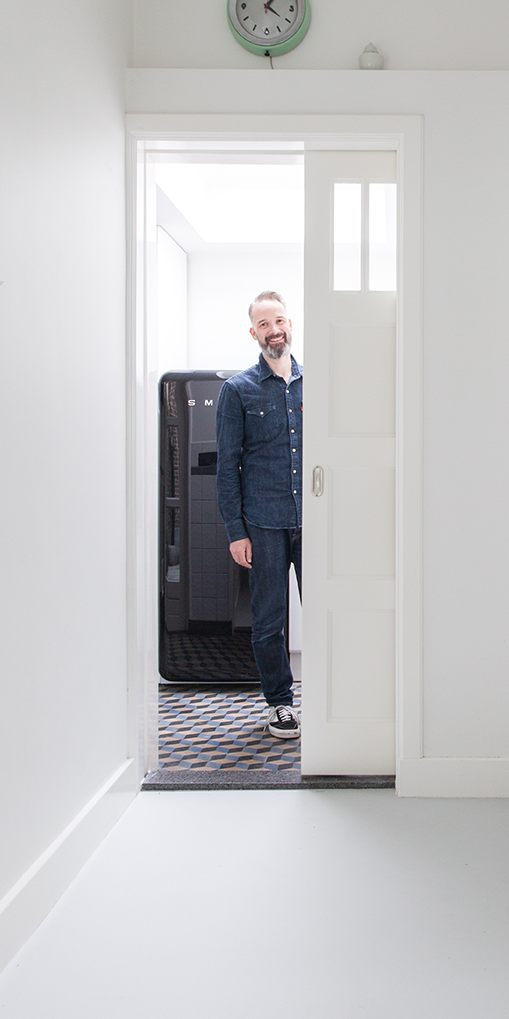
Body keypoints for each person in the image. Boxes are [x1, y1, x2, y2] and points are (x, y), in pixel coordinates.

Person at [215, 291, 303, 739]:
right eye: (265, 325)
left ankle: (334, 699)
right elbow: (227, 467)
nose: (275, 330)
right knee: (269, 620)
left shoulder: (317, 382)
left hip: (314, 522)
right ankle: (280, 704)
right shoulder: (237, 390)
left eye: (280, 321)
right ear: (254, 333)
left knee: (332, 612)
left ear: (290, 324)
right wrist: (236, 532)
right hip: (262, 524)